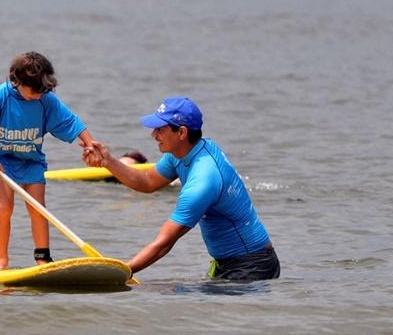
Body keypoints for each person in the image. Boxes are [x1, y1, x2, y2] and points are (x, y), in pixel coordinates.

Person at [83, 96, 280, 282]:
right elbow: (147, 181)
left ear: (182, 133)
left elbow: (164, 244)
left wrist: (121, 272)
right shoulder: (181, 153)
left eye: (160, 129)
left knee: (162, 292)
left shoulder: (203, 179)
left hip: (253, 266)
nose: (153, 134)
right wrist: (108, 162)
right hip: (230, 263)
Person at [0, 52, 95, 271]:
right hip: (2, 161)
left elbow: (71, 121)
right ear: (16, 81)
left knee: (38, 209)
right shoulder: (2, 95)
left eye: (42, 91)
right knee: (4, 207)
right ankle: (1, 260)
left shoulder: (45, 99)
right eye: (34, 90)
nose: (38, 95)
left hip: (32, 161)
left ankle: (42, 257)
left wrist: (89, 143)